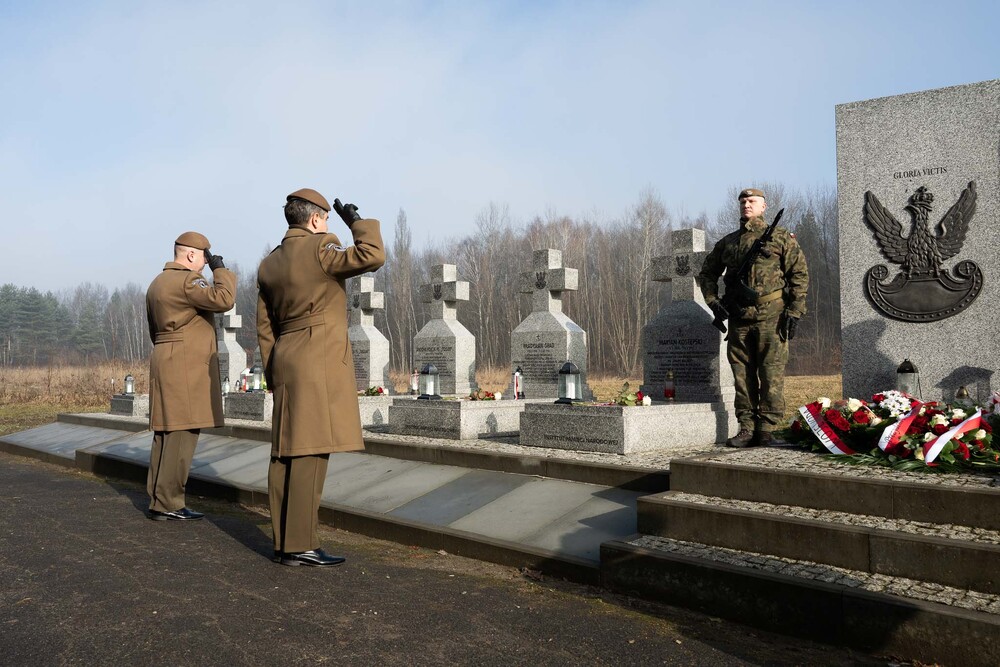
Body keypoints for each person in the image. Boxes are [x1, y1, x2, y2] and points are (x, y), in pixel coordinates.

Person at [257, 188, 385, 566]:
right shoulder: (321, 247)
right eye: (326, 218)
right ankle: (301, 545)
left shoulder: (269, 264)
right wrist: (357, 224)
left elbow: (264, 327)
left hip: (285, 357)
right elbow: (373, 255)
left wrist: (273, 371)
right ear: (315, 219)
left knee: (284, 451)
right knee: (312, 450)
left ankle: (284, 542)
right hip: (318, 359)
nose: (328, 225)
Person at [696, 188, 809, 447]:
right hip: (739, 319)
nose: (747, 205)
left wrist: (794, 311)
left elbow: (799, 275)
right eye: (743, 201)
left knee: (771, 375)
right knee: (741, 376)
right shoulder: (729, 242)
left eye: (752, 201)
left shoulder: (781, 238)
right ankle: (746, 427)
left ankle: (766, 429)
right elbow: (707, 274)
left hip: (772, 316)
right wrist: (714, 303)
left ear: (763, 206)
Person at [146, 232, 235, 519]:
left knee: (166, 432)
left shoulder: (156, 284)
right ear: (191, 255)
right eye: (204, 258)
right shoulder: (187, 280)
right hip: (185, 364)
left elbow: (153, 329)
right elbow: (223, 299)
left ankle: (159, 499)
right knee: (183, 433)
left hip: (165, 357)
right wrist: (220, 269)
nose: (204, 265)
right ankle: (170, 503)